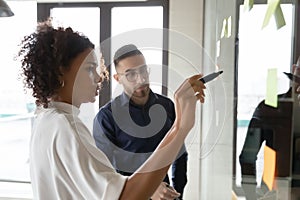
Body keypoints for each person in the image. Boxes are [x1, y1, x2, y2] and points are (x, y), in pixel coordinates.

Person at [19, 19, 206, 200]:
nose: (99, 78)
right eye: (90, 69)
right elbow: (123, 195)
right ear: (61, 72)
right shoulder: (66, 126)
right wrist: (180, 128)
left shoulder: (47, 120)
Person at [93, 44, 188, 200]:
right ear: (118, 79)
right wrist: (148, 189)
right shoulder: (106, 117)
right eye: (131, 74)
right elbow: (104, 174)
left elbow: (179, 154)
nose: (141, 78)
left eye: (143, 70)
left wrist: (177, 193)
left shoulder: (167, 106)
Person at [239, 57, 300, 200]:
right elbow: (247, 158)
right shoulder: (268, 109)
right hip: (275, 192)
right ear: (293, 70)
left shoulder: (268, 109)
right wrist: (252, 197)